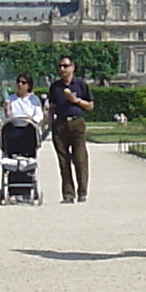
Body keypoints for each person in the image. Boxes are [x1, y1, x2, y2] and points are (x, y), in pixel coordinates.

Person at [46, 55, 96, 202]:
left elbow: (91, 106)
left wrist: (76, 101)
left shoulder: (80, 85)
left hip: (77, 123)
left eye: (65, 66)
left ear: (73, 67)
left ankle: (82, 191)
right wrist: (49, 122)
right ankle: (68, 194)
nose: (62, 69)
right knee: (63, 161)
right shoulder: (55, 87)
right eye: (60, 66)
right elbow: (52, 107)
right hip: (60, 124)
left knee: (80, 158)